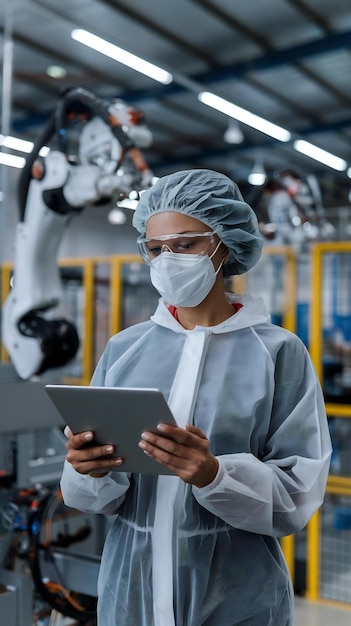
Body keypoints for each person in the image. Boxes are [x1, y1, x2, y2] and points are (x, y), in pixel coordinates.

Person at [60, 169, 332, 626]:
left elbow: (298, 492)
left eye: (185, 245)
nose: (168, 260)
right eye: (155, 249)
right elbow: (97, 497)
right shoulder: (125, 350)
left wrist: (214, 475)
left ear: (224, 242)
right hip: (133, 594)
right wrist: (89, 469)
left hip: (237, 599)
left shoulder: (277, 352)